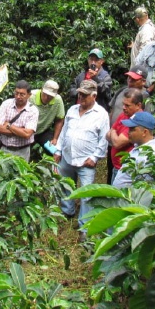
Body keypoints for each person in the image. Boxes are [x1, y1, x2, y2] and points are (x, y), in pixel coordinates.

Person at [54, 79, 110, 242]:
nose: (81, 98)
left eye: (85, 95)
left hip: (86, 161)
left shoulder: (101, 115)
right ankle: (68, 210)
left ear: (94, 96)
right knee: (66, 185)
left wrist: (94, 157)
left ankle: (84, 225)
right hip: (67, 156)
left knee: (87, 194)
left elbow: (103, 139)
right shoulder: (72, 110)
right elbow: (64, 131)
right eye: (79, 94)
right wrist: (58, 149)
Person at [105, 66, 149, 183]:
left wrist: (113, 132)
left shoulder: (146, 100)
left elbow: (144, 124)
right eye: (129, 78)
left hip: (126, 147)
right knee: (111, 173)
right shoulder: (121, 92)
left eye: (134, 79)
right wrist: (112, 130)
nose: (130, 81)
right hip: (113, 142)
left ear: (143, 81)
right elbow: (112, 110)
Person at [0, 80, 39, 161]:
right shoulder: (6, 104)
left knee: (21, 173)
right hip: (5, 149)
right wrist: (20, 130)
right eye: (16, 93)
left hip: (23, 151)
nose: (18, 96)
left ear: (29, 95)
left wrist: (8, 125)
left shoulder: (33, 111)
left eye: (22, 94)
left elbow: (27, 134)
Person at [106, 89, 145, 184]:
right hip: (116, 167)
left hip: (127, 171)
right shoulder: (124, 115)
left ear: (138, 105)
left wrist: (113, 131)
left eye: (127, 105)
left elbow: (117, 143)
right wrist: (113, 132)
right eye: (123, 104)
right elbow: (107, 136)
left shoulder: (139, 121)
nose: (123, 108)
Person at [112, 111, 155, 189]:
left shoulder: (150, 157)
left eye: (132, 129)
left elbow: (145, 190)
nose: (128, 132)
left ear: (144, 132)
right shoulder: (138, 147)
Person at [30, 80, 65, 155]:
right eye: (45, 94)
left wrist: (55, 138)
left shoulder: (58, 100)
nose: (46, 97)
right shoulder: (31, 96)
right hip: (28, 130)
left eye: (50, 96)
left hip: (43, 131)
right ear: (42, 89)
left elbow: (59, 120)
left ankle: (54, 166)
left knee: (55, 150)